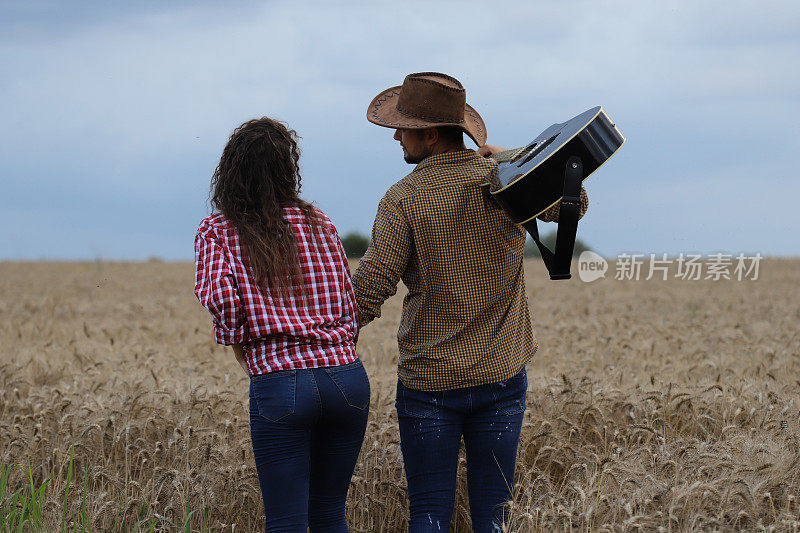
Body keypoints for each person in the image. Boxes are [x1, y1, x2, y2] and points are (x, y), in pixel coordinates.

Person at [352, 72, 588, 532]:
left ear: (431, 135)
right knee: (495, 516)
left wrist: (315, 338)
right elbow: (574, 201)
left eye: (403, 128)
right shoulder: (504, 181)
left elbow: (371, 286)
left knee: (428, 513)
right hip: (501, 376)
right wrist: (516, 158)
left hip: (430, 382)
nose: (397, 136)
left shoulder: (404, 198)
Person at [194, 117, 369, 532]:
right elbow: (349, 299)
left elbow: (220, 296)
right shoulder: (319, 222)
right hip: (346, 378)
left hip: (280, 381)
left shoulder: (219, 230)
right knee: (329, 516)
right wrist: (338, 347)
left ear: (231, 171)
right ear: (288, 168)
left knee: (286, 523)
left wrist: (240, 346)